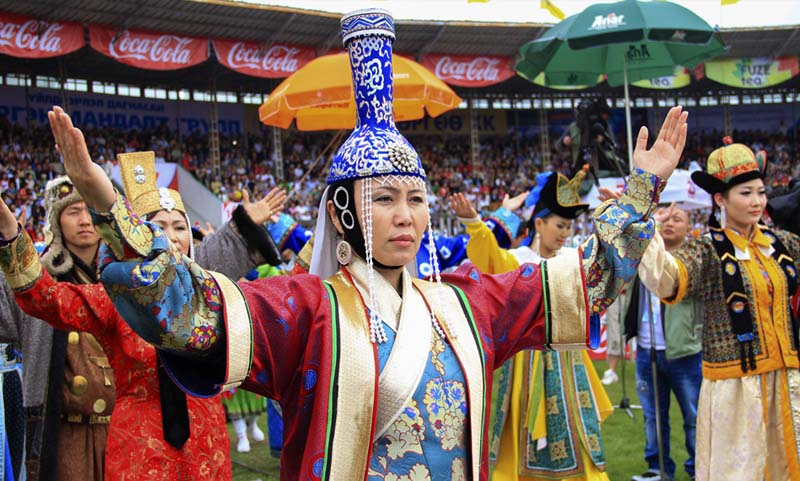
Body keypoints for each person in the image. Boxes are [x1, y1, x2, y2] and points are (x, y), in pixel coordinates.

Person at [48, 9, 687, 481]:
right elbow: (180, 304)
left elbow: (589, 280)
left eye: (414, 198)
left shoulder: (469, 304)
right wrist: (108, 205)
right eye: (383, 199)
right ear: (343, 214)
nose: (405, 216)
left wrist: (641, 191)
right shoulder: (301, 308)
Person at [0, 152, 286, 480]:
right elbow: (46, 299)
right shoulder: (117, 300)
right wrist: (11, 236)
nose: (171, 235)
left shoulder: (216, 295)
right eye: (158, 227)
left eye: (179, 226)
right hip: (138, 450)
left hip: (208, 447)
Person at [636, 138, 800, 481]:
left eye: (760, 191)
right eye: (745, 193)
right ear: (720, 198)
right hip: (735, 390)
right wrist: (641, 208)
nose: (757, 201)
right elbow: (666, 279)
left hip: (788, 381)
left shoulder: (781, 245)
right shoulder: (707, 251)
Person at [451, 166, 613, 481]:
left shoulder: (572, 261)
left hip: (567, 363)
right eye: (559, 225)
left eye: (568, 226)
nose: (565, 233)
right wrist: (473, 222)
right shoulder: (519, 261)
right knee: (515, 437)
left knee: (575, 431)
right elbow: (490, 258)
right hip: (522, 364)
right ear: (539, 223)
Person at [624, 204, 703, 481]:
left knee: (694, 418)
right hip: (647, 350)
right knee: (652, 417)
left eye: (677, 218)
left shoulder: (695, 258)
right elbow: (623, 248)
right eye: (665, 218)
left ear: (688, 227)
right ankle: (657, 468)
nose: (670, 222)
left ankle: (698, 469)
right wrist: (648, 224)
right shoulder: (645, 255)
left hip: (685, 352)